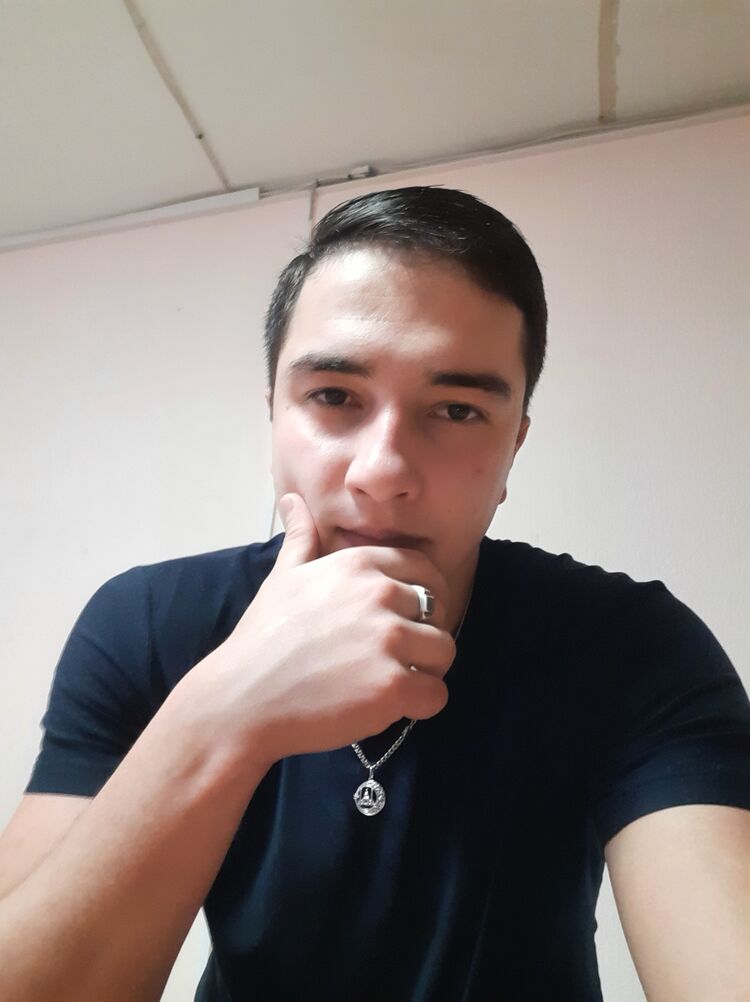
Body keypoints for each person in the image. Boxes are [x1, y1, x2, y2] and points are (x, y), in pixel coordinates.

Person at [0, 187, 748, 1002]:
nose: (383, 471)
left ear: (513, 448)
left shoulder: (631, 646)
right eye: (333, 397)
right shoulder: (148, 624)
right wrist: (224, 714)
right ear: (274, 418)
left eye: (456, 409)